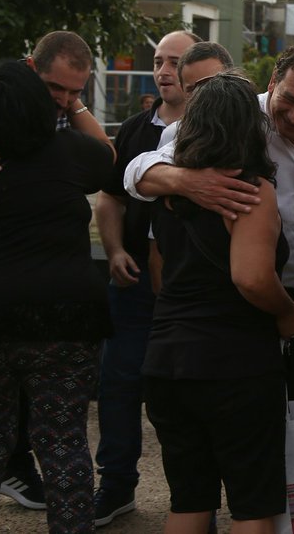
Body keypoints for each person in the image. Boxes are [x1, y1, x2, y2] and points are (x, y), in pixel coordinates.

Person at [124, 40, 294, 366]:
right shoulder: (238, 116)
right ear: (273, 82)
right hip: (254, 301)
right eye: (289, 99)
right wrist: (188, 180)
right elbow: (136, 174)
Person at [144, 72, 294, 534]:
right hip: (235, 364)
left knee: (188, 500)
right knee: (251, 502)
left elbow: (158, 270)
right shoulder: (249, 190)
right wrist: (288, 312)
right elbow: (251, 277)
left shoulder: (169, 192)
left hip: (167, 358)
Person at [0, 60, 115, 533]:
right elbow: (109, 158)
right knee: (62, 442)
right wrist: (75, 105)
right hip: (67, 320)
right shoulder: (72, 152)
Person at [92, 33, 233, 527]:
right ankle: (116, 485)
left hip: (200, 294)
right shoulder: (137, 130)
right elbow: (112, 195)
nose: (165, 71)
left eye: (177, 63)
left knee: (196, 402)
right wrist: (114, 250)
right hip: (136, 285)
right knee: (119, 384)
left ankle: (201, 501)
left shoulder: (237, 131)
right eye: (158, 61)